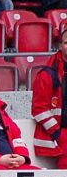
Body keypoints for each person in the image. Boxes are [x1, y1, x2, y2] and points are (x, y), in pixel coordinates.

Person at [32, 29, 67, 168]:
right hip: (61, 132)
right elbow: (38, 108)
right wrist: (57, 132)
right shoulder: (47, 74)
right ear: (60, 46)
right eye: (66, 43)